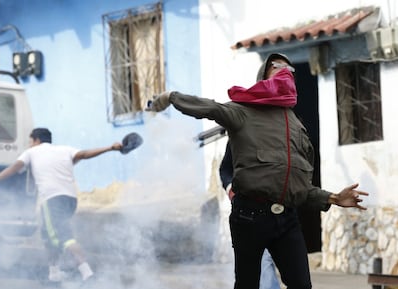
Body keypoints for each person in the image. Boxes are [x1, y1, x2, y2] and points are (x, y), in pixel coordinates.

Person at [148, 53, 369, 289]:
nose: (286, 70)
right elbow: (210, 108)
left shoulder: (296, 125)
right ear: (263, 75)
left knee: (302, 285)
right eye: (277, 66)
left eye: (290, 68)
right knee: (248, 284)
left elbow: (299, 187)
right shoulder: (243, 111)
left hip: (287, 219)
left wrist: (333, 198)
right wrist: (171, 97)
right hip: (250, 216)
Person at [0, 128, 123, 284]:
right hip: (70, 200)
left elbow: (14, 167)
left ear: (36, 140)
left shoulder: (32, 152)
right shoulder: (64, 150)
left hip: (52, 200)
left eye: (30, 141)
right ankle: (54, 274)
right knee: (49, 236)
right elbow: (84, 154)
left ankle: (87, 273)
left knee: (64, 236)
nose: (29, 144)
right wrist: (110, 148)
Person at [220, 142, 281, 289]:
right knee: (264, 261)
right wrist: (231, 191)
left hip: (282, 212)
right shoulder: (239, 135)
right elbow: (225, 169)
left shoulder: (282, 134)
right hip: (251, 214)